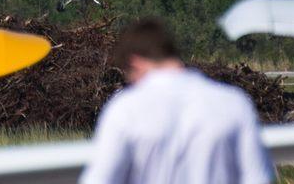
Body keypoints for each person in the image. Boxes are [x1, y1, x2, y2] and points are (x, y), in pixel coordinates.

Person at [80, 18, 273, 184]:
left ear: (135, 62)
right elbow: (258, 178)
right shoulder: (234, 103)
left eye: (128, 74)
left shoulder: (124, 109)